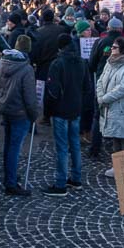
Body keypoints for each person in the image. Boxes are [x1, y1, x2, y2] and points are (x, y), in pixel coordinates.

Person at [43, 33, 86, 195]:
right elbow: (87, 87)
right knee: (75, 144)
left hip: (61, 110)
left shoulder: (57, 63)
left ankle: (60, 183)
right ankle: (76, 178)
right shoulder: (81, 62)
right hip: (76, 108)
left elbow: (52, 91)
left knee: (62, 147)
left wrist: (48, 112)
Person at [0, 46, 39, 196]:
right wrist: (34, 115)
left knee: (8, 145)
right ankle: (11, 182)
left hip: (6, 109)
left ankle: (9, 175)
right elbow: (30, 97)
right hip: (20, 113)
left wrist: (1, 99)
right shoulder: (26, 69)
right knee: (14, 147)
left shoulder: (2, 63)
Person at [94, 37, 124, 155]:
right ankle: (117, 164)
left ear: (123, 50)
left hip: (122, 108)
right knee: (115, 138)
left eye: (115, 47)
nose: (111, 49)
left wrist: (105, 98)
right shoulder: (110, 62)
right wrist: (100, 95)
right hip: (111, 107)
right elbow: (100, 80)